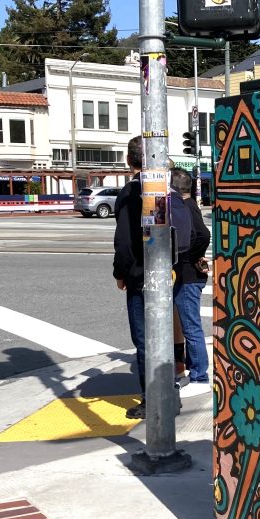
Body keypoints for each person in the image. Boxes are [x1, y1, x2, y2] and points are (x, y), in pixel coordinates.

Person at [113, 136, 147, 419]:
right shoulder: (166, 188)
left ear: (128, 160)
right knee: (164, 335)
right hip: (167, 273)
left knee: (144, 339)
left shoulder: (129, 193)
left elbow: (124, 241)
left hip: (139, 275)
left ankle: (151, 399)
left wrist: (120, 273)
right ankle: (167, 389)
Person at [170, 168, 211, 398]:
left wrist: (189, 255)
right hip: (189, 274)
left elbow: (203, 236)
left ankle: (199, 374)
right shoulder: (190, 205)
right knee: (190, 324)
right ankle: (196, 371)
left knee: (191, 326)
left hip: (188, 275)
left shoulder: (185, 207)